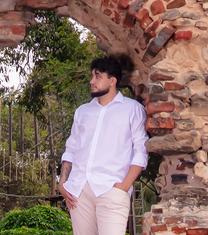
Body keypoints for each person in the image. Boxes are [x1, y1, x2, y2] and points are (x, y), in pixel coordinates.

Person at [59, 56, 148, 235]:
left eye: (97, 76)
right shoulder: (82, 112)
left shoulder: (132, 109)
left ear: (112, 80)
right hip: (78, 191)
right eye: (92, 76)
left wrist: (123, 187)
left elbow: (141, 151)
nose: (92, 81)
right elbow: (71, 149)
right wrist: (62, 183)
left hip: (111, 189)